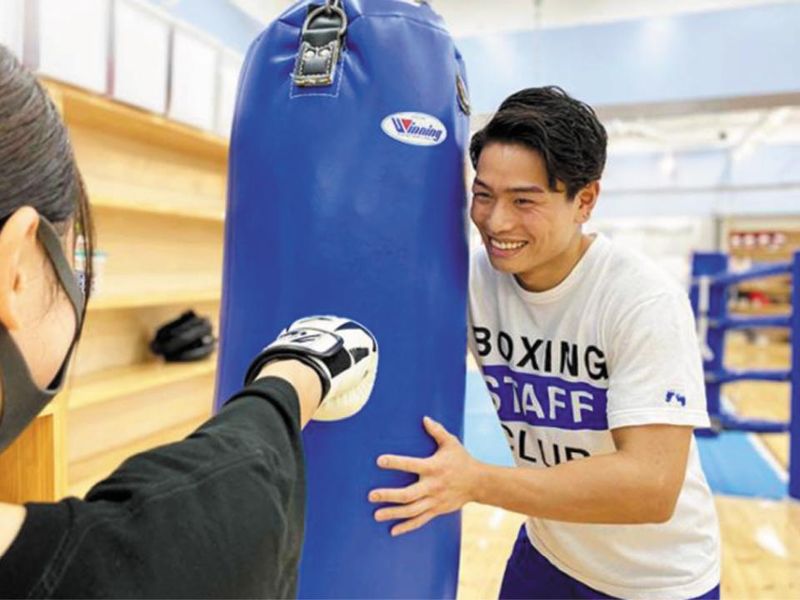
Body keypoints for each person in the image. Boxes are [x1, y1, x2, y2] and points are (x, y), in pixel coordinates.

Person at [0, 45, 378, 598]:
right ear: (16, 270)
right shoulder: (151, 566)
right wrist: (300, 370)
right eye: (70, 252)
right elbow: (236, 477)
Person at [369, 87, 721, 599]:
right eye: (484, 195)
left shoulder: (641, 299)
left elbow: (651, 486)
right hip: (547, 555)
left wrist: (476, 482)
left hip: (656, 582)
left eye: (524, 201)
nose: (495, 222)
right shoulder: (469, 283)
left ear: (585, 200)